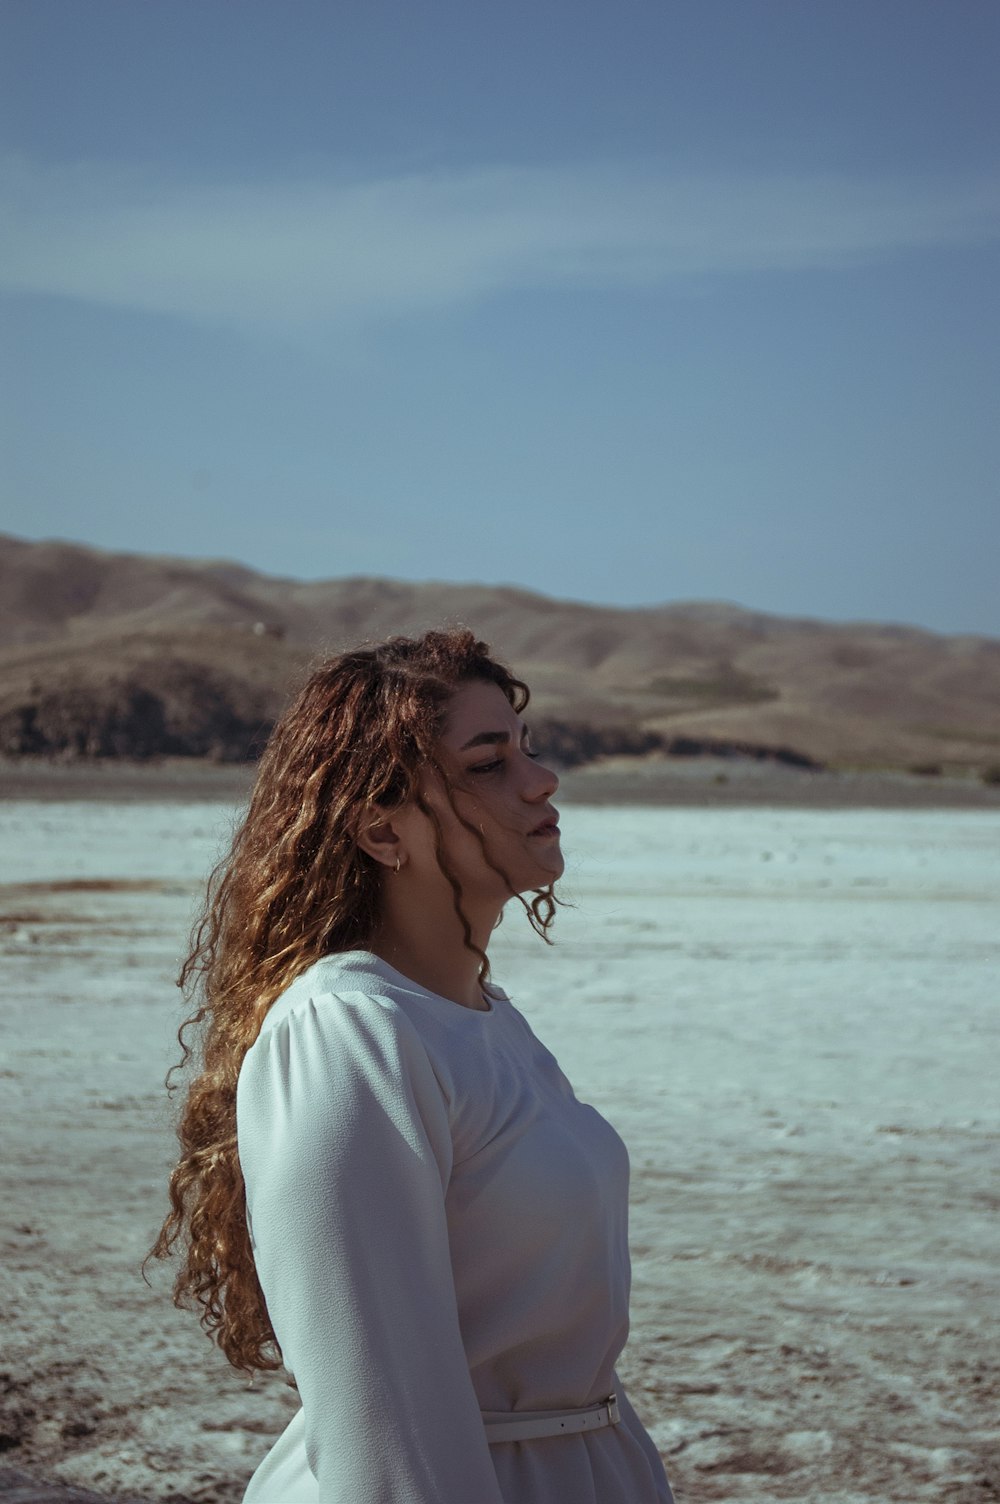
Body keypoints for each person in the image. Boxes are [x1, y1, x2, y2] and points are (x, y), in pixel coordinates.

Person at [151, 627, 673, 1504]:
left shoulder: (489, 1020)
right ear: (380, 831)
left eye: (528, 749)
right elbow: (382, 1416)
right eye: (486, 763)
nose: (541, 780)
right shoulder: (348, 1032)